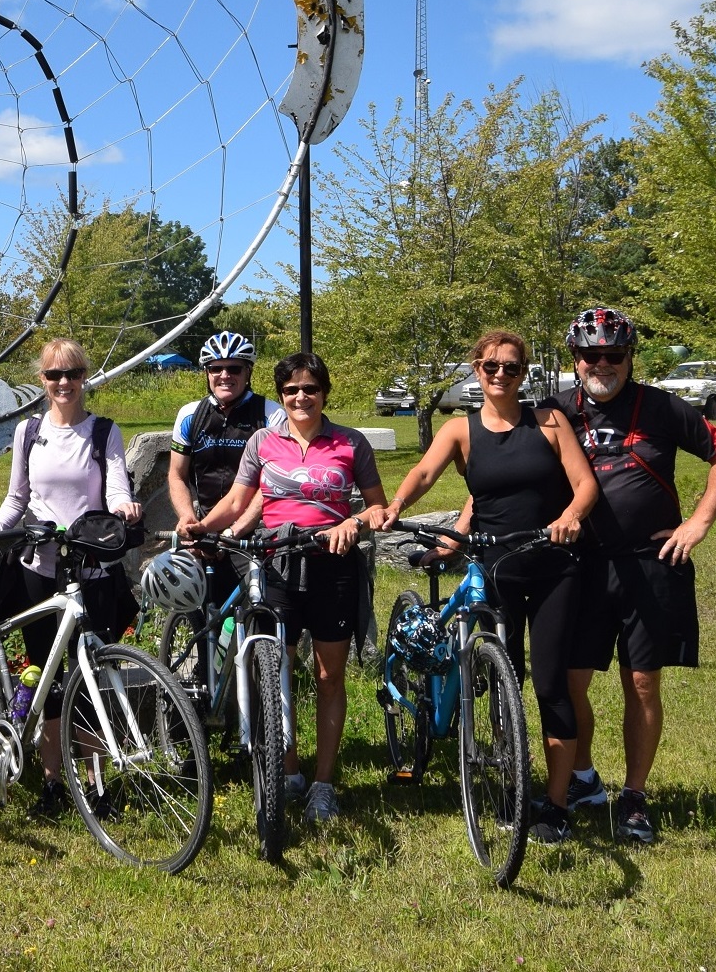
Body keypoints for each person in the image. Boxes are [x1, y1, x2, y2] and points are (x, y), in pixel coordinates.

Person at [370, 329, 599, 844]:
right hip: (494, 567)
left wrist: (570, 517)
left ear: (525, 373)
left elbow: (585, 484)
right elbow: (425, 471)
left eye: (511, 367)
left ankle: (557, 804)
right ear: (476, 369)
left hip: (551, 564)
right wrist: (396, 507)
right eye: (491, 366)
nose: (500, 374)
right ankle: (508, 780)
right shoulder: (461, 430)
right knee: (499, 679)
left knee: (549, 684)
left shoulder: (550, 421)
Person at [552, 306, 716, 844]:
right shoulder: (556, 411)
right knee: (571, 681)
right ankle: (585, 777)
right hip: (579, 567)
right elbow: (503, 460)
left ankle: (633, 797)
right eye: (591, 355)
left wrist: (698, 524)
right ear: (576, 359)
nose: (602, 364)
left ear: (630, 357)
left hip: (650, 562)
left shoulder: (661, 407)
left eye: (614, 355)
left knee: (641, 682)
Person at [182, 351, 387, 826]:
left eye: (310, 389)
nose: (301, 397)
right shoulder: (262, 440)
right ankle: (289, 771)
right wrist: (203, 528)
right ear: (281, 395)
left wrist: (352, 523)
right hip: (274, 566)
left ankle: (323, 784)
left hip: (333, 567)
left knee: (329, 677)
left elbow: (378, 509)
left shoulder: (350, 443)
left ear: (324, 394)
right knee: (277, 672)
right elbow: (239, 499)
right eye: (291, 390)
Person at [0, 338, 141, 814]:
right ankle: (50, 783)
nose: (64, 383)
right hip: (38, 569)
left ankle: (97, 783)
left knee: (92, 677)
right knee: (46, 678)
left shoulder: (104, 432)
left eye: (73, 374)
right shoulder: (29, 431)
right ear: (41, 381)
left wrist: (124, 506)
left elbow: (118, 485)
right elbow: (17, 498)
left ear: (85, 377)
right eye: (53, 375)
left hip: (92, 570)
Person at [166, 331, 287, 616]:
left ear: (248, 372)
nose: (224, 375)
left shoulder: (271, 415)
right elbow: (176, 476)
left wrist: (234, 531)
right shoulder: (189, 415)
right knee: (199, 614)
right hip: (204, 529)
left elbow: (268, 486)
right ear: (206, 373)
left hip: (252, 532)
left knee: (259, 615)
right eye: (215, 368)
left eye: (234, 368)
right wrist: (187, 518)